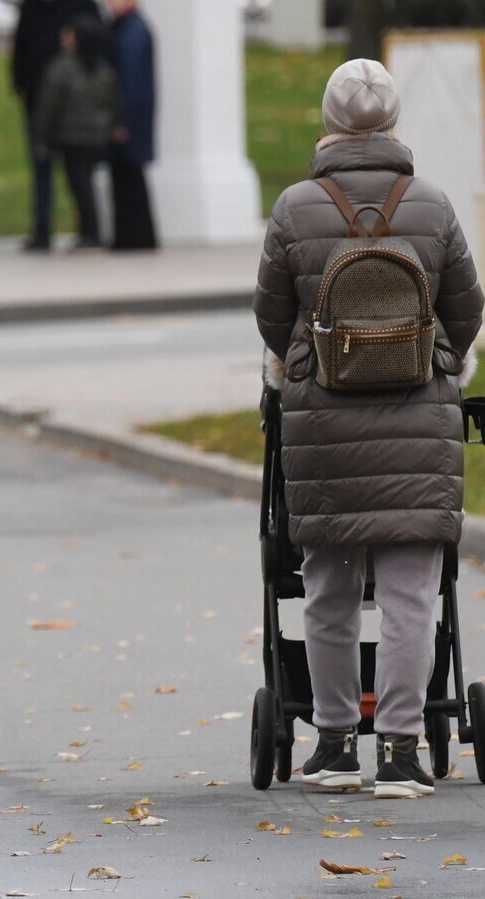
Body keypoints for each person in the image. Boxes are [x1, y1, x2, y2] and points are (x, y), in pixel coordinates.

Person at [253, 59, 484, 798]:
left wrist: (304, 361)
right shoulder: (433, 205)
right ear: (391, 124)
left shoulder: (294, 208)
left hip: (323, 422)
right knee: (414, 588)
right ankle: (402, 752)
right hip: (419, 415)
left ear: (329, 122)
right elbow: (467, 306)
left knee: (327, 582)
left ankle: (333, 742)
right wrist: (437, 357)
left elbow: (270, 315)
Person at [12, 0, 99, 251]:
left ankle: (89, 231)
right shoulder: (32, 8)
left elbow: (96, 43)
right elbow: (21, 48)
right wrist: (19, 82)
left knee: (78, 171)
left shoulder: (81, 6)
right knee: (41, 165)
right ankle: (41, 232)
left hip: (74, 104)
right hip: (38, 101)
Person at [32, 15, 119, 250]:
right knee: (85, 185)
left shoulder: (62, 68)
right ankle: (90, 232)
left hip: (72, 138)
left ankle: (90, 233)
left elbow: (49, 106)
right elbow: (111, 104)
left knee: (80, 187)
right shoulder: (102, 69)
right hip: (95, 137)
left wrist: (41, 137)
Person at [107, 0, 157, 250]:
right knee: (127, 178)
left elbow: (129, 80)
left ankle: (132, 238)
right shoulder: (127, 28)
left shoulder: (132, 30)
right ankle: (132, 237)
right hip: (132, 118)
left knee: (129, 179)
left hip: (130, 119)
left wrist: (120, 120)